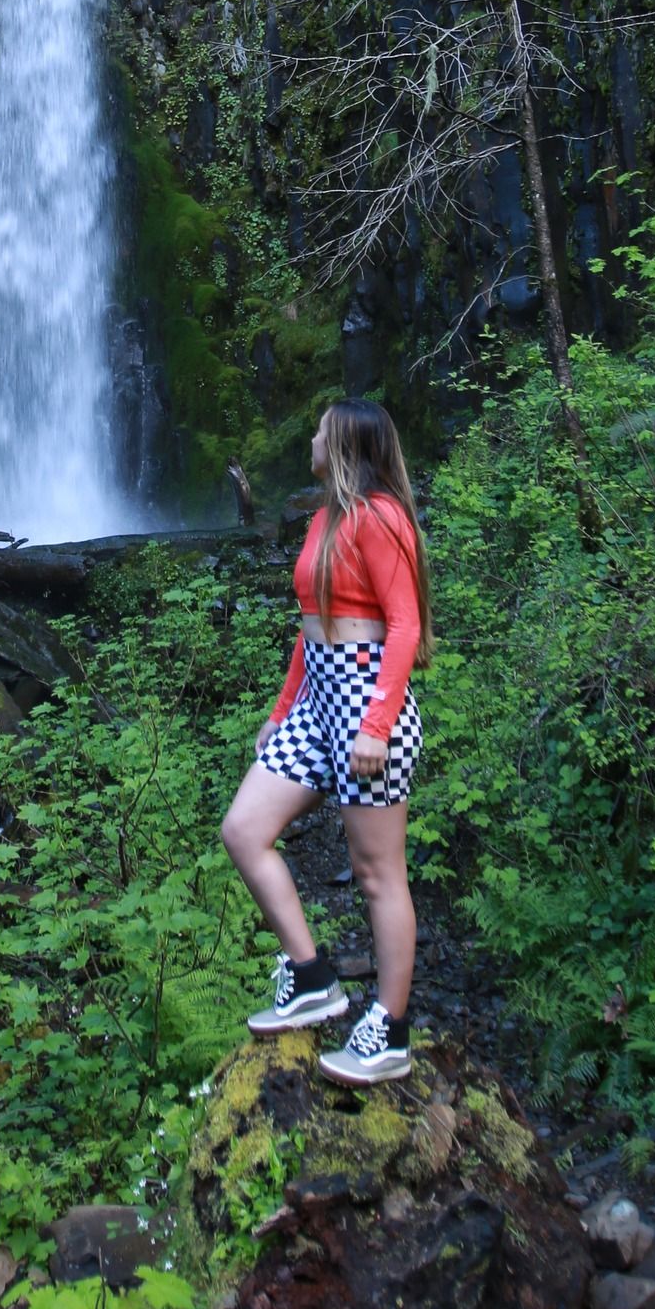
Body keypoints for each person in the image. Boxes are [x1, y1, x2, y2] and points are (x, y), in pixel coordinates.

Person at [220, 397, 431, 1085]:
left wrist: (375, 725)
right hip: (316, 699)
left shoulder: (381, 519)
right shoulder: (325, 519)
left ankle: (390, 1029)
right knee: (245, 830)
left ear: (342, 444)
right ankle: (312, 977)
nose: (309, 436)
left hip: (369, 699)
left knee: (377, 874)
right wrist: (282, 712)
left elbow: (404, 627)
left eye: (319, 429)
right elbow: (311, 624)